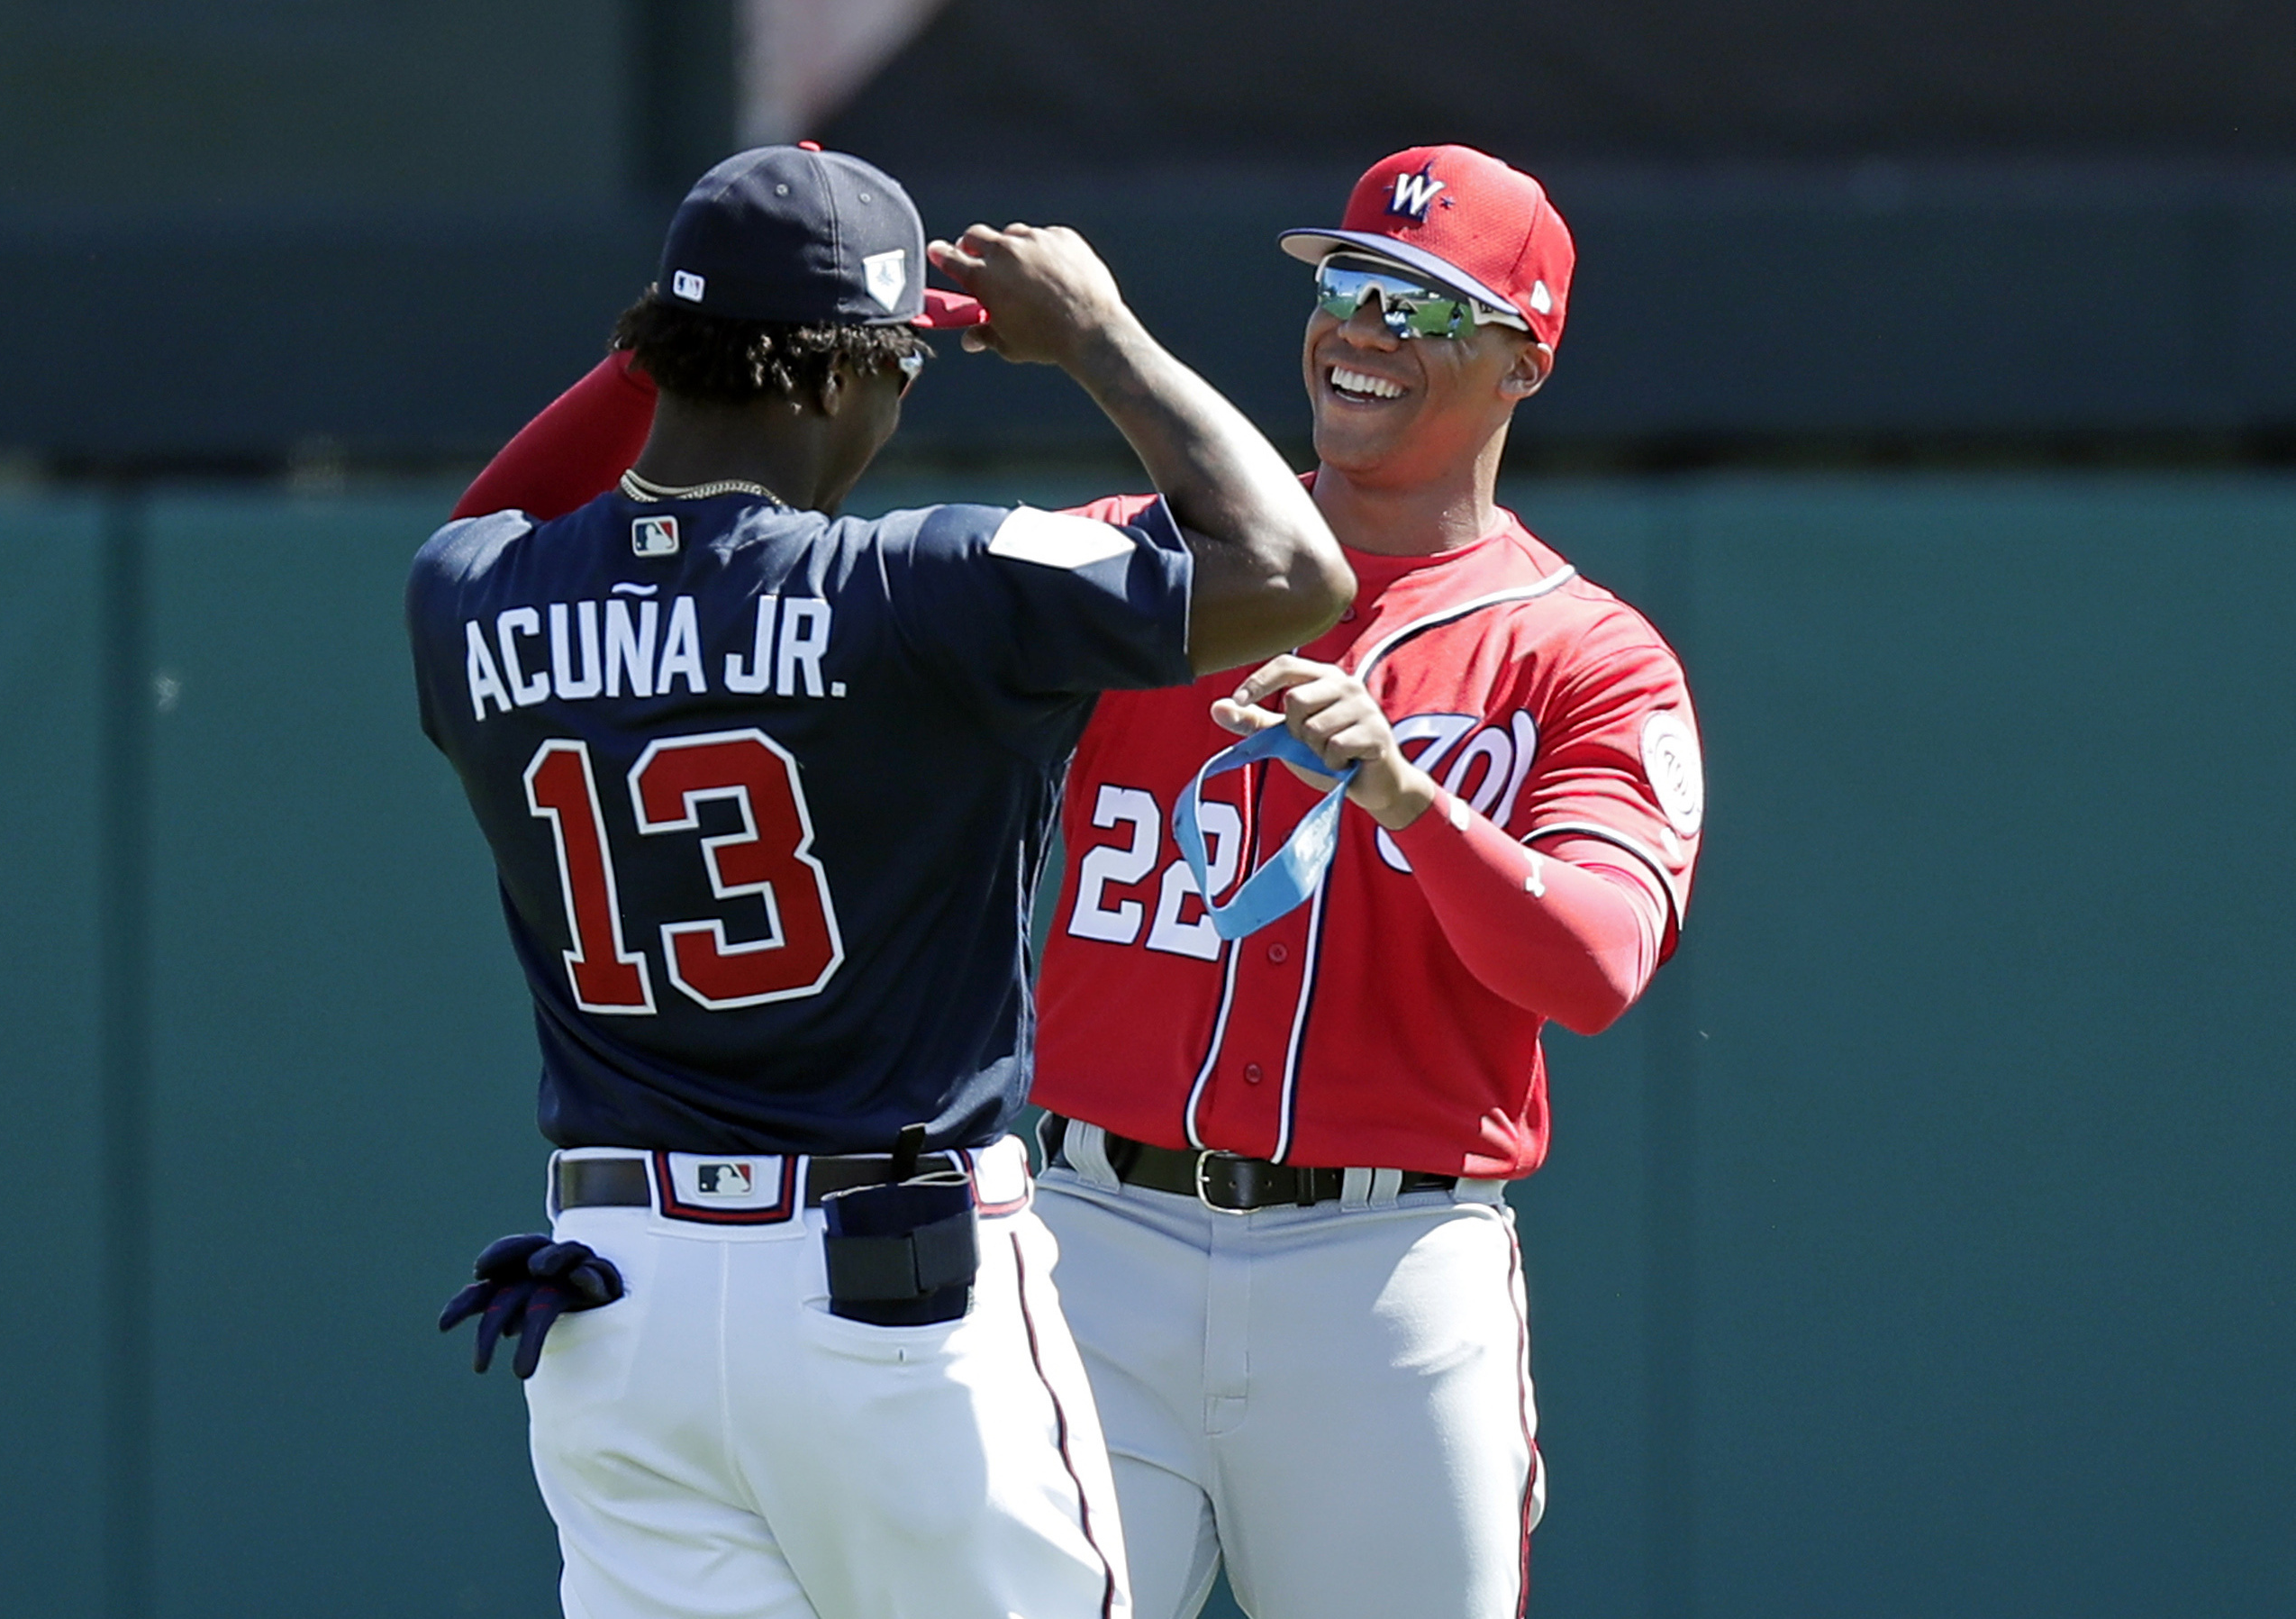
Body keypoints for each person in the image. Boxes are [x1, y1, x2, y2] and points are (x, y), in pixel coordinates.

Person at [406, 142, 1352, 1619]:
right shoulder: (925, 587)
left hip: (617, 1301)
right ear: (846, 379)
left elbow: (488, 516)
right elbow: (1295, 566)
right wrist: (1099, 334)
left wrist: (671, 338)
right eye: (899, 365)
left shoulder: (473, 596)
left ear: (660, 348)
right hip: (890, 1302)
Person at [1025, 144, 1705, 1619]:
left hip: (1386, 1276)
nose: (1365, 331)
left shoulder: (1582, 653)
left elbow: (1594, 965)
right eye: (1349, 282)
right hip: (1093, 1248)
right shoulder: (1128, 566)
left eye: (1425, 305)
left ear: (1524, 361)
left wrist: (1409, 799)